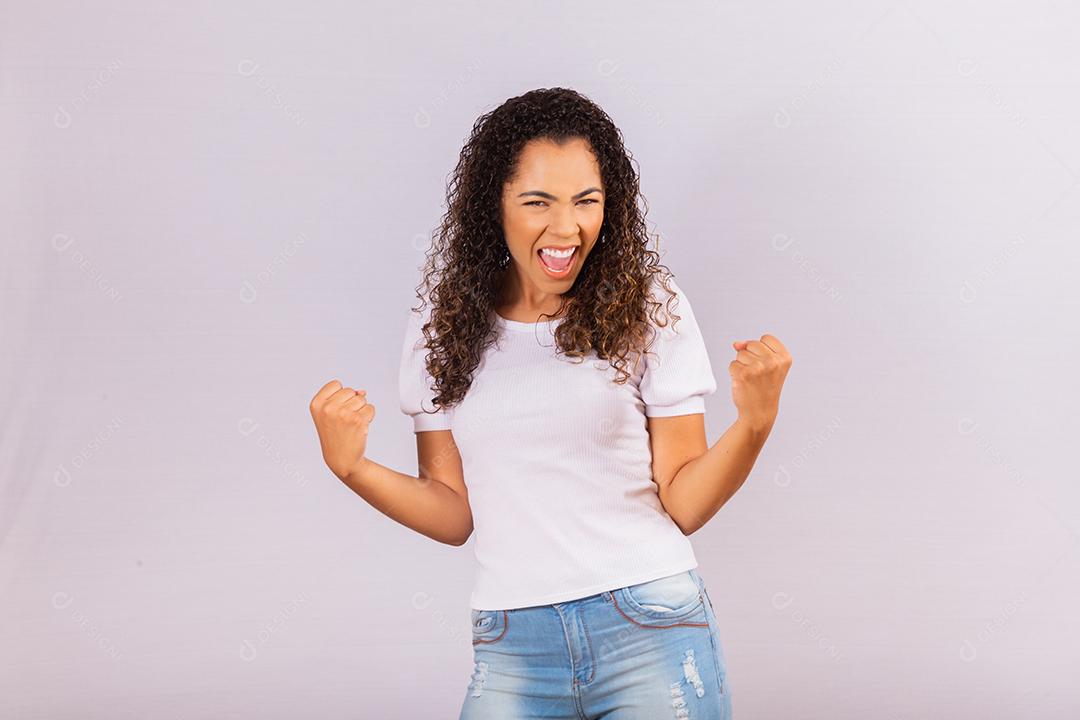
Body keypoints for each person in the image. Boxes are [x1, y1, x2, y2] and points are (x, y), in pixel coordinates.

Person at [309, 87, 792, 719]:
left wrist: (755, 425)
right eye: (538, 202)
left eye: (586, 201)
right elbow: (453, 513)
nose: (566, 228)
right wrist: (353, 468)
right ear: (495, 206)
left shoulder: (646, 304)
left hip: (649, 625)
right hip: (513, 643)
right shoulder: (443, 323)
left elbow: (684, 499)